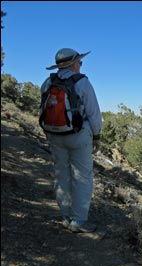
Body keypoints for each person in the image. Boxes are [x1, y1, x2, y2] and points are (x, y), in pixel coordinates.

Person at [41, 48, 102, 233]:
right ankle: (79, 221)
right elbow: (93, 113)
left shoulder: (48, 82)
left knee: (62, 174)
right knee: (82, 177)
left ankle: (66, 216)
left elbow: (43, 109)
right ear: (73, 64)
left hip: (54, 134)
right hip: (78, 134)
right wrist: (97, 135)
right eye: (80, 62)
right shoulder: (82, 82)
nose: (81, 65)